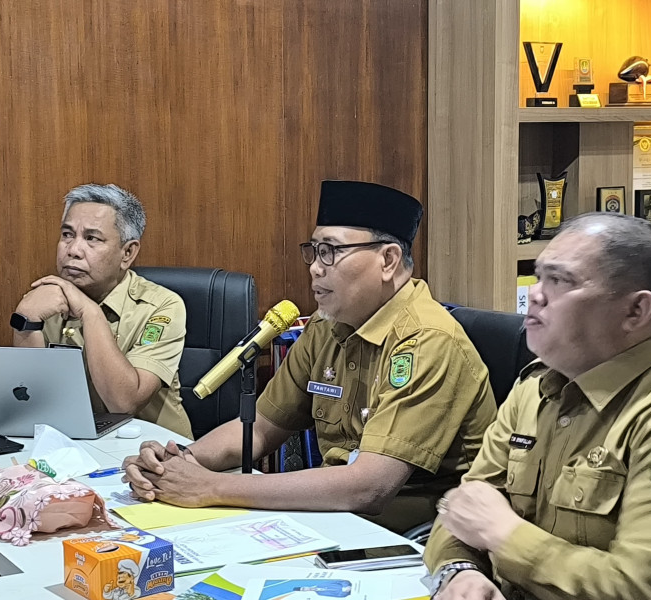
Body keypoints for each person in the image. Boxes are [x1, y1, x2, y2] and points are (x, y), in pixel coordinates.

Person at [424, 213, 651, 600]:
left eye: (560, 280)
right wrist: (460, 571)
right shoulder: (538, 386)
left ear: (635, 311)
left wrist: (502, 534)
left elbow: (640, 590)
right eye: (538, 276)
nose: (536, 294)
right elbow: (464, 507)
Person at [121, 180, 497, 532]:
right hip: (332, 516)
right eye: (314, 251)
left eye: (331, 251)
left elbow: (369, 487)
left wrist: (211, 488)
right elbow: (261, 427)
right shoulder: (326, 325)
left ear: (388, 260)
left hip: (416, 534)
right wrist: (178, 462)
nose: (315, 267)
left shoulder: (426, 341)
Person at [11, 184, 191, 438]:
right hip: (75, 445)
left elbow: (124, 404)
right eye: (67, 234)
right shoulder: (45, 302)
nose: (73, 250)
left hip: (153, 450)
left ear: (127, 253)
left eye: (92, 238)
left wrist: (90, 312)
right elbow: (31, 400)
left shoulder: (162, 306)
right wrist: (26, 320)